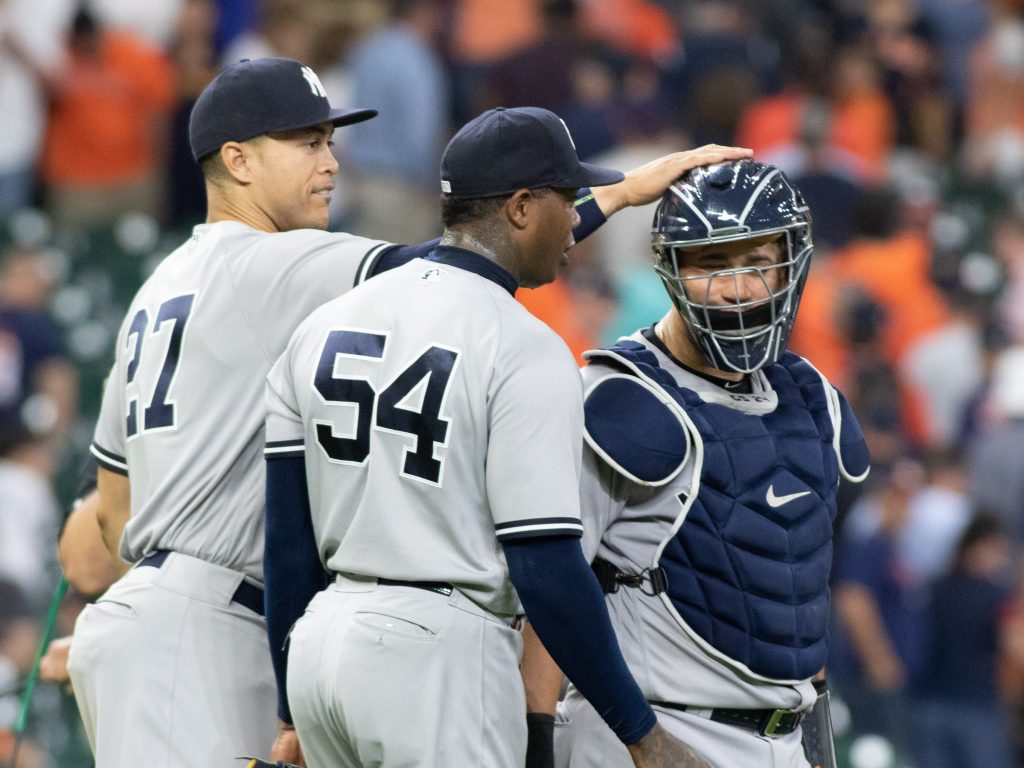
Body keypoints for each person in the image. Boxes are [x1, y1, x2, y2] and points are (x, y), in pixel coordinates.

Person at [67, 56, 744, 767]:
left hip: (194, 618)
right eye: (308, 143)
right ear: (237, 161)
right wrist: (620, 194)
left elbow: (111, 515)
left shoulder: (161, 285)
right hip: (218, 629)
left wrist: (154, 601)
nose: (332, 162)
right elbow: (461, 264)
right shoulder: (276, 266)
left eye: (331, 141)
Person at [263, 107, 751, 768]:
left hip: (322, 648)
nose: (576, 219)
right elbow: (546, 567)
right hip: (437, 658)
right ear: (521, 208)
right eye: (567, 200)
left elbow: (288, 544)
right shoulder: (524, 345)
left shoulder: (325, 323)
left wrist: (290, 708)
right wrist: (643, 734)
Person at [520, 159, 871, 768]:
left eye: (757, 262)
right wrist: (536, 746)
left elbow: (796, 590)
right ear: (671, 270)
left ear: (790, 264)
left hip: (785, 740)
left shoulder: (812, 397)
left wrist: (817, 749)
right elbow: (549, 593)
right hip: (649, 732)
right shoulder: (614, 398)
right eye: (711, 264)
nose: (738, 288)